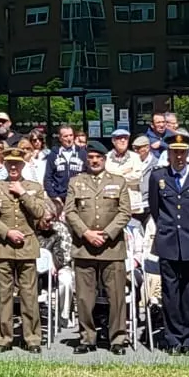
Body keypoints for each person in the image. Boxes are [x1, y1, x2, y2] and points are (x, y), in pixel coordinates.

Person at [145, 133, 189, 354]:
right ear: (169, 153)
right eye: (175, 152)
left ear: (188, 153)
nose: (179, 157)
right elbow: (156, 209)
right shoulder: (158, 176)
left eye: (183, 152)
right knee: (170, 293)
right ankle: (173, 338)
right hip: (168, 241)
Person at [0, 147, 48, 352]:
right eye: (9, 163)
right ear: (4, 163)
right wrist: (7, 232)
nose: (13, 167)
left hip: (27, 247)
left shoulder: (34, 187)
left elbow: (39, 212)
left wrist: (23, 193)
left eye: (17, 163)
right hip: (4, 246)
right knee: (4, 294)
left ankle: (32, 338)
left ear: (23, 165)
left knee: (29, 295)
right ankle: (3, 338)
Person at [65, 144, 129, 354]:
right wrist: (86, 233)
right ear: (86, 159)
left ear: (104, 159)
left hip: (111, 247)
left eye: (98, 157)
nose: (94, 161)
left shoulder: (118, 182)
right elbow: (70, 212)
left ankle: (118, 338)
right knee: (84, 297)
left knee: (117, 296)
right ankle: (87, 338)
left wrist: (107, 233)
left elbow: (124, 212)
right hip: (84, 247)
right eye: (91, 157)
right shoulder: (76, 182)